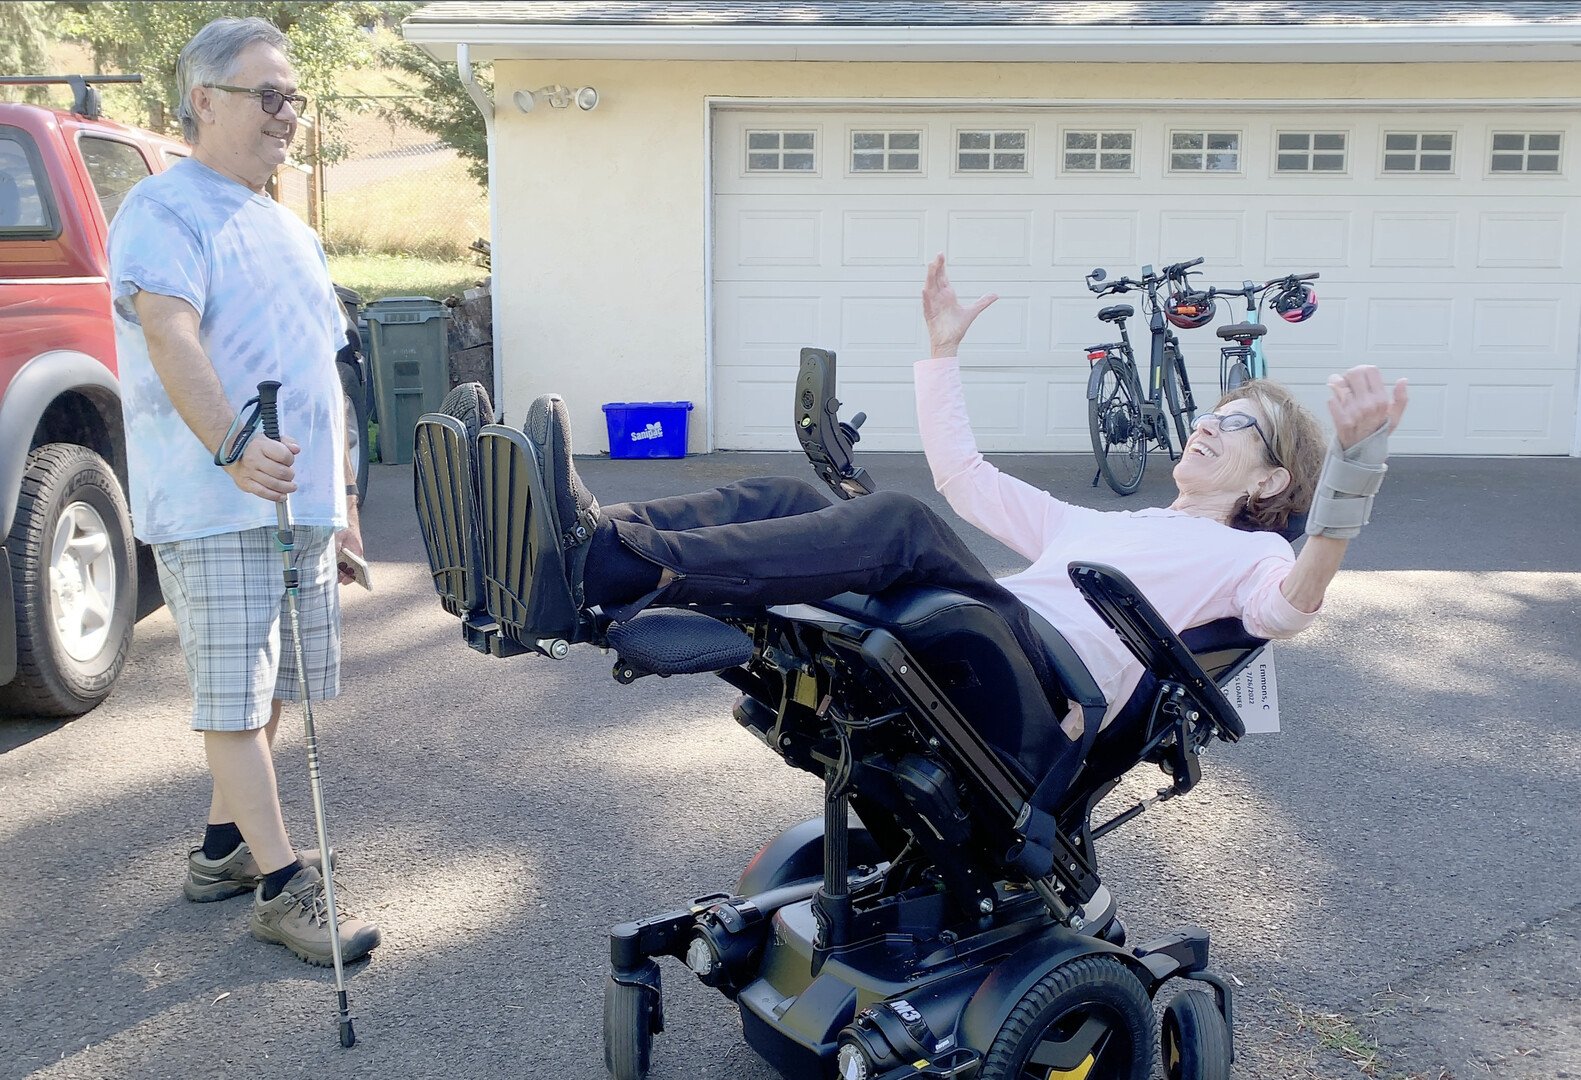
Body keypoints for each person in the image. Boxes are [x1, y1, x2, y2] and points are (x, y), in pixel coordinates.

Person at [527, 254, 1408, 759]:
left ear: (1268, 483)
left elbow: (1292, 609)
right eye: (1209, 416)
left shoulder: (1247, 559)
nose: (1207, 429)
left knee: (900, 527)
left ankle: (607, 565)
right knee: (789, 495)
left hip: (1035, 689)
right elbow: (967, 479)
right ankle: (587, 546)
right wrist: (940, 355)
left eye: (1238, 426)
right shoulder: (1116, 526)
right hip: (987, 640)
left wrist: (1353, 469)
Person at [107, 17, 379, 966]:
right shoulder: (163, 208)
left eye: (294, 98)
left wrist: (339, 507)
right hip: (215, 499)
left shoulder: (291, 228)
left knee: (268, 693)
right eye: (267, 95)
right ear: (204, 100)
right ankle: (281, 885)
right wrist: (231, 443)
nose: (287, 115)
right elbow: (170, 332)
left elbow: (321, 370)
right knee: (233, 702)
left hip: (293, 505)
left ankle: (222, 853)